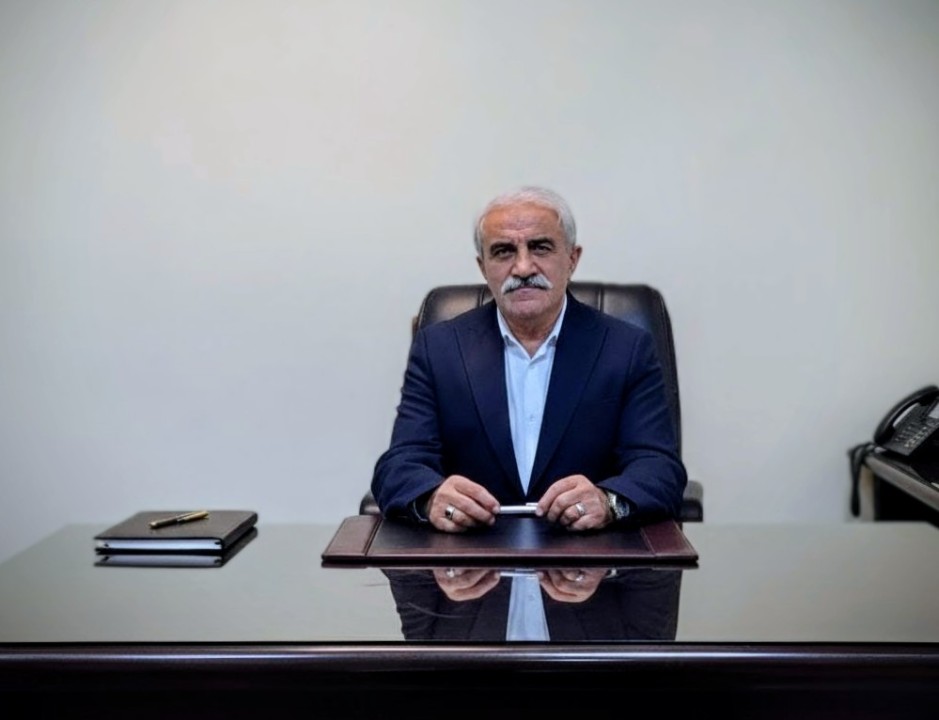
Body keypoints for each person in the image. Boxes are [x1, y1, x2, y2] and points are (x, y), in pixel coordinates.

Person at [371, 186, 686, 532]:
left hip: (589, 552)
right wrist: (431, 498)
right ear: (483, 267)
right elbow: (399, 466)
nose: (522, 267)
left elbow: (659, 469)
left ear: (572, 259)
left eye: (540, 247)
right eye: (503, 251)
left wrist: (608, 502)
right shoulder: (439, 348)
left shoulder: (626, 348)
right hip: (472, 553)